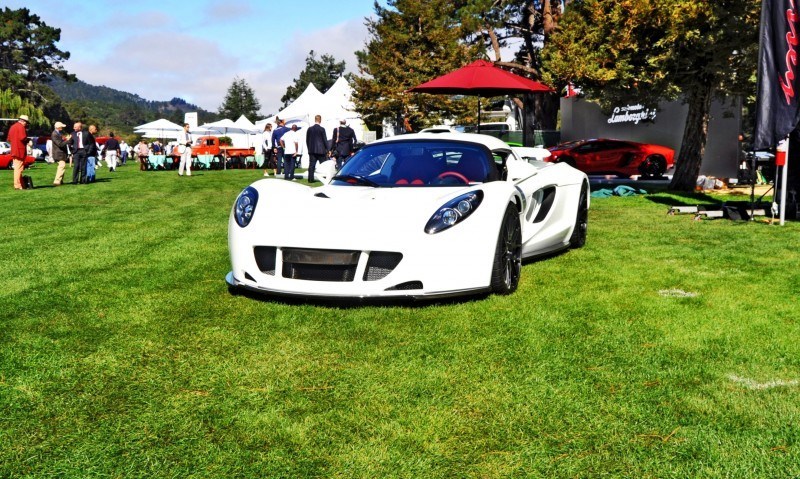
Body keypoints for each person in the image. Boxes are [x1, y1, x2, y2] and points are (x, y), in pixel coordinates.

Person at [305, 114, 328, 183]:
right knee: (323, 165)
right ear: (320, 120)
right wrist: (327, 149)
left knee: (311, 165)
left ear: (315, 120)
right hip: (321, 150)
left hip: (312, 150)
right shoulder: (322, 129)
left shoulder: (309, 129)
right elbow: (325, 140)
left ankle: (310, 179)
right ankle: (324, 178)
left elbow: (307, 140)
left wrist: (309, 148)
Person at [8, 115, 28, 190]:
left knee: (18, 168)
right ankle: (17, 185)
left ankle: (21, 184)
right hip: (20, 150)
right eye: (26, 122)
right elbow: (23, 138)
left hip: (14, 150)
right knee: (18, 168)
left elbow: (9, 139)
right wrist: (28, 140)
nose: (26, 124)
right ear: (23, 121)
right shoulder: (21, 127)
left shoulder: (12, 127)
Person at [51, 121, 70, 186]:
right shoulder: (54, 134)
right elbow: (60, 144)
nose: (62, 128)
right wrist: (67, 140)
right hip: (58, 153)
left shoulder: (58, 133)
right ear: (58, 127)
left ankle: (60, 180)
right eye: (61, 126)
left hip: (60, 153)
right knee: (62, 166)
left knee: (62, 166)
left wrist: (65, 139)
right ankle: (57, 181)